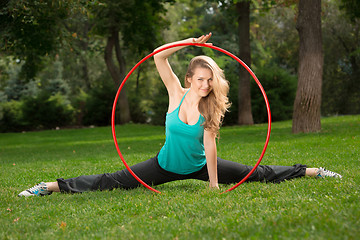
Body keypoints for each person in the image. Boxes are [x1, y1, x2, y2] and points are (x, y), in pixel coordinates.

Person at [18, 33, 342, 197]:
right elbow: (159, 57)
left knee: (255, 172)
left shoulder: (211, 105)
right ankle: (49, 187)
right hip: (163, 165)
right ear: (189, 79)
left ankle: (313, 171)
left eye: (209, 79)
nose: (205, 84)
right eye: (199, 79)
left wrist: (214, 183)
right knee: (112, 181)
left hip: (199, 168)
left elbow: (211, 147)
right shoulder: (175, 92)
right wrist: (188, 42)